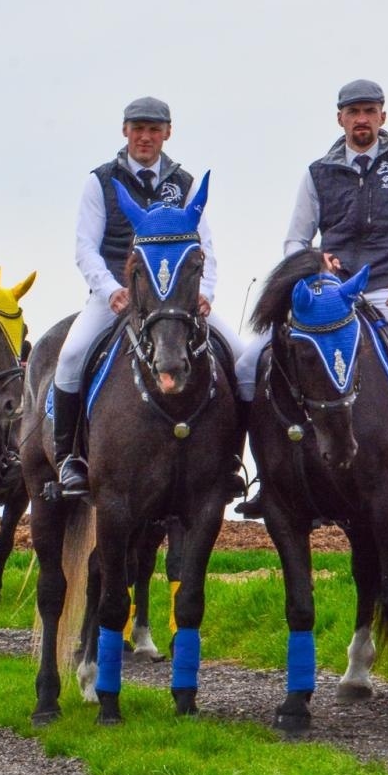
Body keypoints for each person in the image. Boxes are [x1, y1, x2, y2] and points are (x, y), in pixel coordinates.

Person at [237, 79, 388, 511]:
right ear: (340, 118)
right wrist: (313, 263)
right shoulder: (317, 174)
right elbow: (295, 240)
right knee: (248, 365)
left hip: (387, 293)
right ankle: (259, 474)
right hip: (331, 298)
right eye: (353, 112)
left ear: (383, 116)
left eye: (369, 111)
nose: (362, 119)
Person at [48, 96, 243, 497]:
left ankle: (231, 461)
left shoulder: (185, 184)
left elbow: (205, 246)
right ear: (125, 131)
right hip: (118, 294)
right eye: (138, 129)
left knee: (241, 358)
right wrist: (110, 291)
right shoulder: (100, 181)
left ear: (167, 133)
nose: (145, 137)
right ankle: (70, 457)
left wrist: (205, 293)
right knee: (70, 357)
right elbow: (85, 248)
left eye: (154, 130)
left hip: (178, 299)